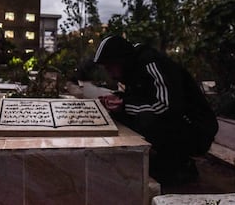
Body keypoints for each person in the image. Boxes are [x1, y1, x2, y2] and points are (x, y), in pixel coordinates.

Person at [94, 35, 219, 185]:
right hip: (179, 123)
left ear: (122, 60)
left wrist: (125, 105)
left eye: (110, 67)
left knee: (145, 119)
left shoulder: (150, 63)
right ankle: (165, 160)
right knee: (123, 114)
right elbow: (140, 97)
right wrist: (118, 99)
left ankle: (179, 164)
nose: (109, 73)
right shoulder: (133, 70)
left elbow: (166, 106)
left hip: (196, 129)